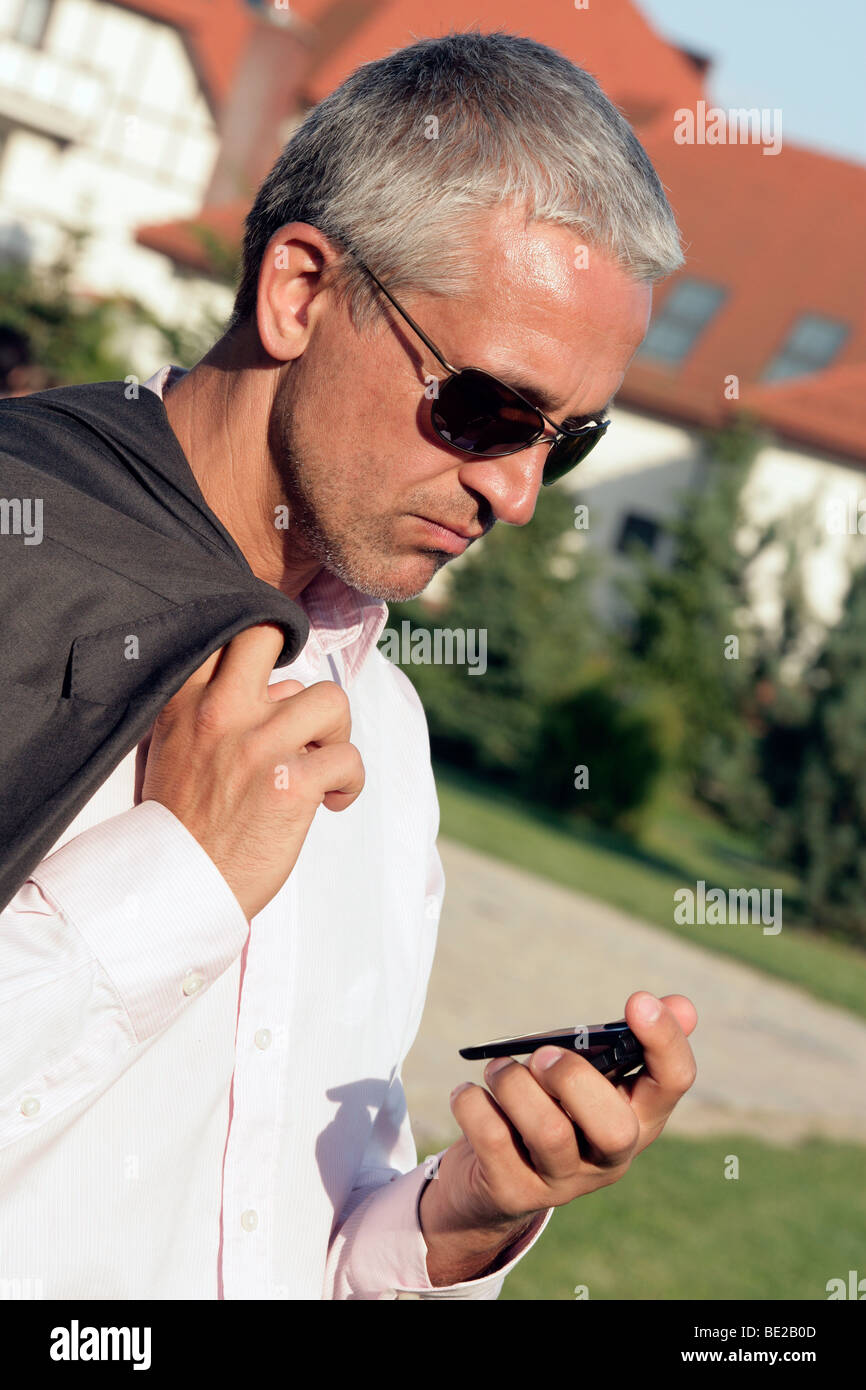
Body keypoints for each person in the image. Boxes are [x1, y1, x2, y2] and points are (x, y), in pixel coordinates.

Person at [0, 30, 697, 1300]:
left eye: (568, 440)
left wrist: (452, 1227)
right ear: (301, 291)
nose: (519, 492)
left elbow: (274, 1237)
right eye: (487, 408)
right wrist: (170, 884)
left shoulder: (384, 729)